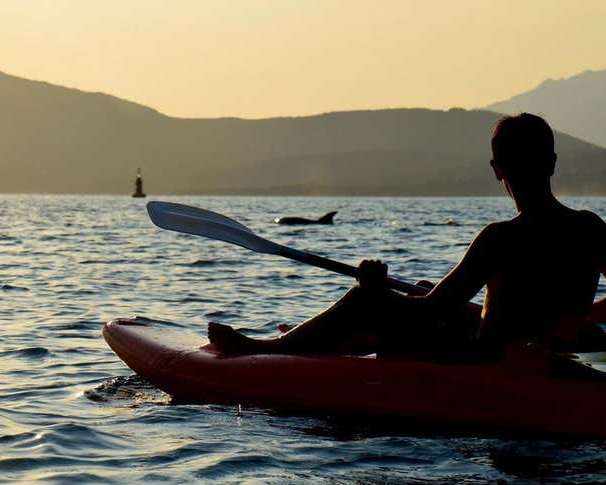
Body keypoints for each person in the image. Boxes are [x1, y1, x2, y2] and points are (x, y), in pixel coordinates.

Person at [208, 113, 606, 361]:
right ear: (552, 163)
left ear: (497, 169)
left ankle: (269, 351)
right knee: (420, 288)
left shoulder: (499, 238)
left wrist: (377, 288)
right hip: (552, 349)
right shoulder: (591, 226)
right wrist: (578, 317)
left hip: (491, 359)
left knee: (371, 299)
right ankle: (320, 338)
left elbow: (432, 312)